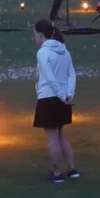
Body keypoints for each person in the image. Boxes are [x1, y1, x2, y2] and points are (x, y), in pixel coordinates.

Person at [32, 19, 79, 183]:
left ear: (40, 34)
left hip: (48, 97)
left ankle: (56, 172)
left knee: (52, 138)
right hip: (63, 98)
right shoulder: (64, 51)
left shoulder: (42, 53)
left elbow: (49, 77)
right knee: (61, 135)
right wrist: (68, 94)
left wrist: (61, 95)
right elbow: (71, 74)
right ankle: (72, 169)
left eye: (35, 34)